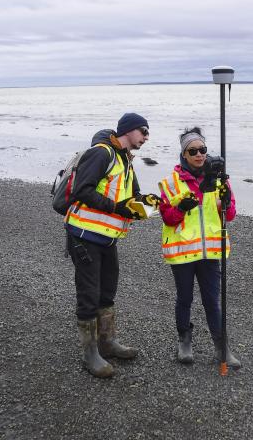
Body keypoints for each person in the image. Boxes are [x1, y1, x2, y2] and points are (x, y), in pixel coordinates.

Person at [64, 112, 161, 378]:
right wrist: (118, 208)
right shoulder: (102, 154)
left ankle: (107, 342)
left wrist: (152, 204)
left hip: (107, 238)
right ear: (128, 130)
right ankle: (90, 354)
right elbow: (82, 190)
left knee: (107, 291)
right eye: (143, 131)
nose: (146, 137)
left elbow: (133, 198)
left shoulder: (126, 160)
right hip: (85, 235)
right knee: (89, 294)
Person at [157, 127, 241, 369]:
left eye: (202, 149)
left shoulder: (219, 179)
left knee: (212, 300)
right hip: (182, 252)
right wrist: (182, 207)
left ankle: (221, 347)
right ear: (183, 154)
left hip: (210, 252)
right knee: (184, 298)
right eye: (192, 150)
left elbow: (231, 214)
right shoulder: (171, 183)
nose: (199, 154)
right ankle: (184, 342)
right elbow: (168, 219)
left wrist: (224, 201)